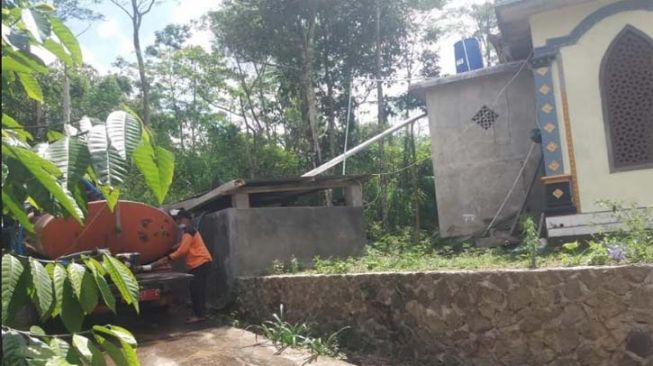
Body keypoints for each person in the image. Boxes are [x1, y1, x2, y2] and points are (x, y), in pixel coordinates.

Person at [153, 209, 213, 323]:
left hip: (200, 262)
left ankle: (199, 315)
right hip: (200, 263)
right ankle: (200, 314)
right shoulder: (189, 231)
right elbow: (182, 245)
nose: (178, 222)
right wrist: (171, 249)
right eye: (177, 220)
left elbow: (182, 251)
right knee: (196, 289)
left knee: (196, 290)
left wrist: (167, 258)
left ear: (186, 219)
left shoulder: (188, 231)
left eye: (179, 219)